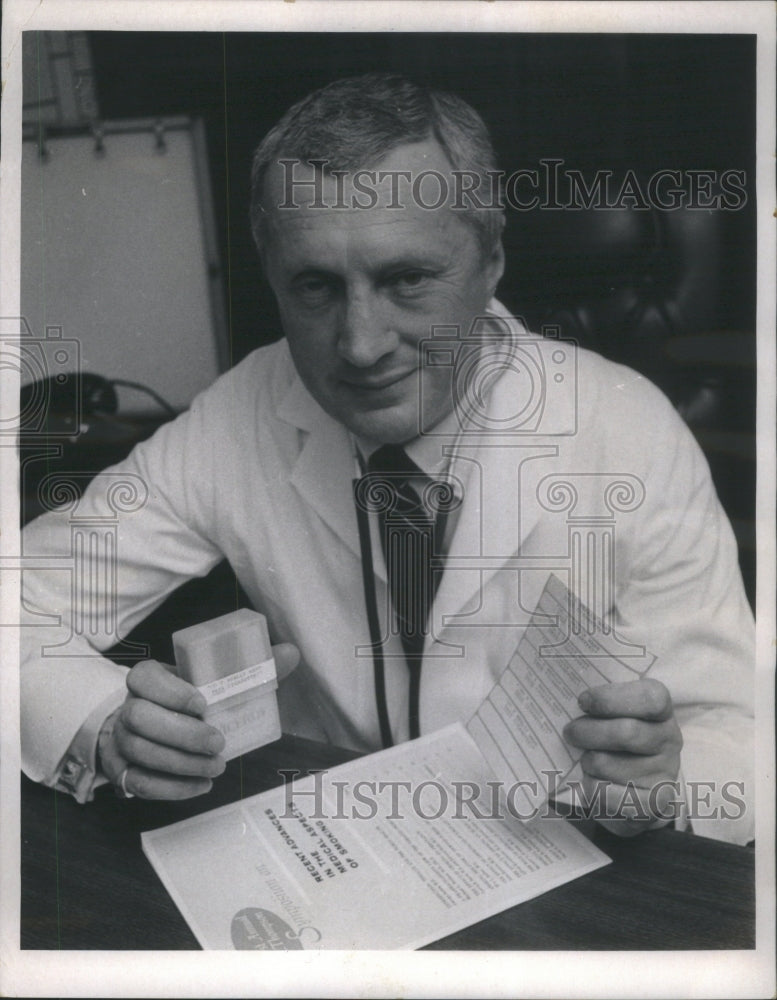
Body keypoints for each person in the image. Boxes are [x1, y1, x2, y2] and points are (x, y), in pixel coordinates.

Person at [20, 73, 754, 844]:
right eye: (315, 287)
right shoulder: (241, 412)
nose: (360, 343)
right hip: (325, 859)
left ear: (491, 260)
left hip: (561, 876)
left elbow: (739, 741)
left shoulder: (626, 425)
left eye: (406, 279)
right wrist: (97, 721)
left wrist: (667, 785)